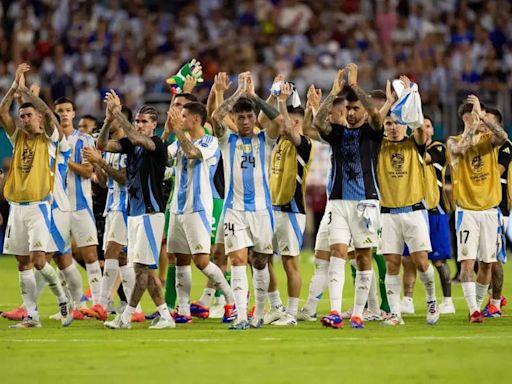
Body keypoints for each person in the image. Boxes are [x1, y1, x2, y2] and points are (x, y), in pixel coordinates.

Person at [311, 64, 386, 329]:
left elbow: (377, 115)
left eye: (356, 109)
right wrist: (332, 94)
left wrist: (354, 87)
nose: (352, 113)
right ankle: (333, 310)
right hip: (338, 202)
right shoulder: (338, 133)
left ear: (363, 111)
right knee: (338, 252)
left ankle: (357, 313)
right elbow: (318, 122)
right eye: (349, 109)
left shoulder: (373, 131)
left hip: (366, 202)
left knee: (364, 256)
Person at [0, 63, 71, 328]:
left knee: (40, 261)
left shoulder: (51, 139)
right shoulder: (17, 137)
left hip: (40, 207)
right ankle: (32, 315)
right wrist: (14, 89)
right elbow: (1, 113)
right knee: (22, 263)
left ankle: (63, 300)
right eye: (23, 116)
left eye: (29, 115)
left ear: (39, 118)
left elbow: (49, 116)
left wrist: (29, 95)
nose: (24, 119)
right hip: (16, 207)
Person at [98, 90, 175, 329]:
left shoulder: (158, 144)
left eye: (144, 122)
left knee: (141, 268)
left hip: (151, 213)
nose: (139, 125)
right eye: (137, 121)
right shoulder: (130, 146)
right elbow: (101, 145)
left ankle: (126, 317)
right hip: (134, 213)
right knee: (144, 269)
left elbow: (141, 140)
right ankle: (164, 316)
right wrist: (109, 120)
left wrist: (118, 112)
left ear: (154, 125)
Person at [211, 72, 281, 329]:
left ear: (255, 118)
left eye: (249, 116)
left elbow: (279, 119)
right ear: (235, 120)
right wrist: (238, 93)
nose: (245, 121)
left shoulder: (266, 140)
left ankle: (259, 313)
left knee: (260, 261)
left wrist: (254, 98)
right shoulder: (226, 141)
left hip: (262, 211)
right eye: (240, 117)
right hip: (235, 211)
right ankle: (241, 315)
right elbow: (216, 117)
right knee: (238, 260)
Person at [377, 76, 439, 327]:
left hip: (413, 211)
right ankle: (395, 313)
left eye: (397, 123)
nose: (393, 127)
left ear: (405, 125)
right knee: (392, 264)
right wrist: (390, 102)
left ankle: (432, 301)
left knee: (421, 261)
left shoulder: (414, 144)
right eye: (389, 123)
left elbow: (422, 130)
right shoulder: (378, 146)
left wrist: (413, 95)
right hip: (387, 213)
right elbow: (372, 125)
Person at [166, 101, 235, 324]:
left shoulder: (210, 142)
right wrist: (168, 131)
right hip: (178, 207)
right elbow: (164, 158)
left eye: (184, 116)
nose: (181, 119)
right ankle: (184, 311)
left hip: (198, 209)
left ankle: (232, 301)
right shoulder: (178, 140)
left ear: (196, 119)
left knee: (202, 261)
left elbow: (193, 153)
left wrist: (176, 130)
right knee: (181, 260)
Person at [447, 95, 507, 322]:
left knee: (488, 264)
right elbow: (462, 148)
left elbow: (504, 136)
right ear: (465, 118)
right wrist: (472, 126)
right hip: (467, 211)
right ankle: (473, 310)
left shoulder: (489, 139)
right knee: (467, 262)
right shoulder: (452, 141)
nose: (478, 121)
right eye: (473, 116)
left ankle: (480, 306)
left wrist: (483, 116)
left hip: (490, 211)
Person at [80, 107, 143, 323]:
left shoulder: (131, 148)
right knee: (121, 257)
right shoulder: (109, 148)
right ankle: (137, 309)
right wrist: (97, 162)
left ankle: (102, 304)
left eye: (113, 118)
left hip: (126, 205)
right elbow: (106, 183)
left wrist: (101, 161)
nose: (109, 121)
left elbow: (126, 180)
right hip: (112, 204)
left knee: (112, 252)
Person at [266, 82, 313, 326]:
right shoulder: (277, 143)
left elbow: (291, 130)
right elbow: (269, 120)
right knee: (260, 258)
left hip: (292, 210)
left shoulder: (304, 145)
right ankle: (276, 307)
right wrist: (271, 97)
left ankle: (292, 313)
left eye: (293, 122)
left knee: (289, 262)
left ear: (300, 124)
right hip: (271, 209)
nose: (287, 124)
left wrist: (282, 102)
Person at [400, 115, 455, 315]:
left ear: (432, 130)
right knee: (408, 258)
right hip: (412, 209)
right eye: (420, 125)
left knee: (438, 260)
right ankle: (407, 300)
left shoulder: (439, 149)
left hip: (434, 211)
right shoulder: (408, 148)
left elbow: (421, 158)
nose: (424, 127)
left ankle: (447, 301)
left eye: (428, 125)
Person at [54, 97, 103, 306]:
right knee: (60, 257)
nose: (64, 114)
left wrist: (65, 159)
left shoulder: (84, 140)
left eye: (67, 110)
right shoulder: (49, 141)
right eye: (60, 111)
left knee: (90, 256)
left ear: (74, 114)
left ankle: (99, 304)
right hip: (57, 207)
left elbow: (86, 171)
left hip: (81, 205)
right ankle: (76, 304)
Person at [483, 107, 509, 318]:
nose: (483, 125)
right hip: (480, 207)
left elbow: (493, 172)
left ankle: (495, 303)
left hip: (499, 209)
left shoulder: (506, 146)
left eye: (488, 121)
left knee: (493, 257)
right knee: (479, 258)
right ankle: (493, 294)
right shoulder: (481, 143)